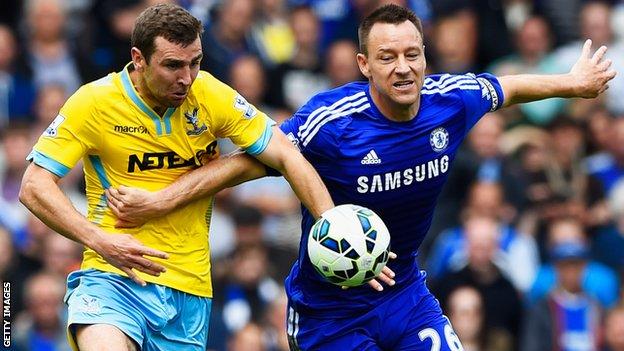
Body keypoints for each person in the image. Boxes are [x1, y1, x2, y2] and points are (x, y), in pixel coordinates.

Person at [106, 4, 616, 349]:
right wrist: (163, 200)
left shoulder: (450, 100)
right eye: (387, 57)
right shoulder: (332, 120)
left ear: (425, 57)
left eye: (412, 54)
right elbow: (250, 160)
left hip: (404, 294)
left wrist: (573, 84)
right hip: (328, 311)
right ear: (363, 64)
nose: (403, 68)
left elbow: (506, 87)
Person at [19, 4, 335, 351]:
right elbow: (34, 186)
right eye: (172, 65)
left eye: (195, 62)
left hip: (189, 290)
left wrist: (335, 228)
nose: (186, 78)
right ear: (138, 58)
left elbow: (286, 154)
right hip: (113, 279)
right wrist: (100, 241)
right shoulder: (94, 102)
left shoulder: (210, 94)